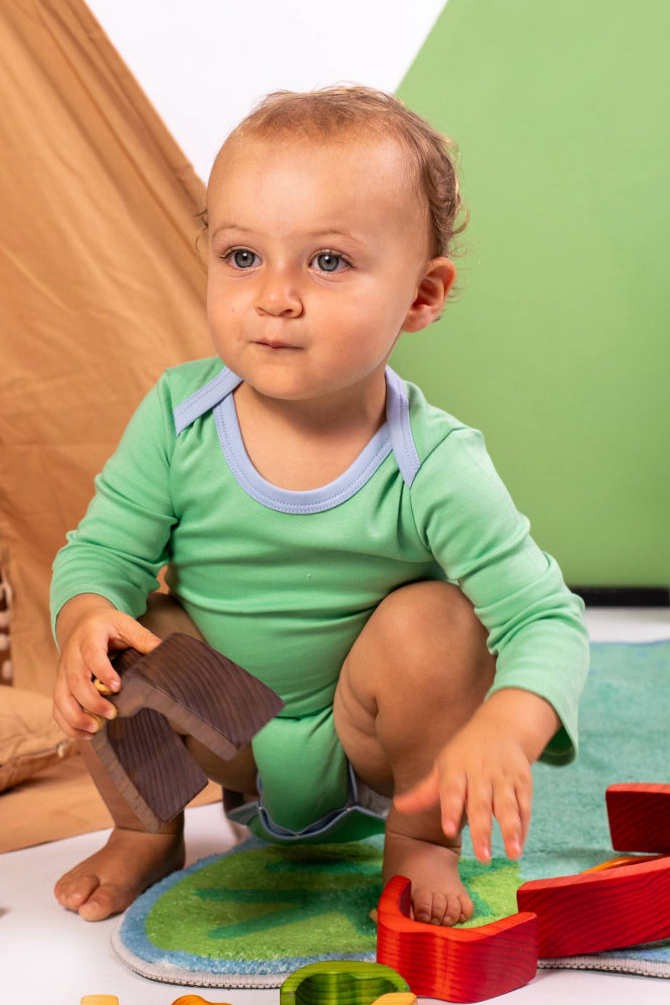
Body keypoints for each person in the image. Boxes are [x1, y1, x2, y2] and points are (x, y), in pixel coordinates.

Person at [49, 85, 589, 928]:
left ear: (420, 296)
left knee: (441, 620)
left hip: (367, 743)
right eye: (241, 257)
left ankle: (419, 843)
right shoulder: (176, 415)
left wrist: (506, 730)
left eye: (327, 262)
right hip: (225, 734)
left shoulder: (434, 463)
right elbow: (102, 553)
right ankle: (142, 827)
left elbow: (545, 621)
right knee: (132, 627)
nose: (275, 297)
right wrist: (84, 613)